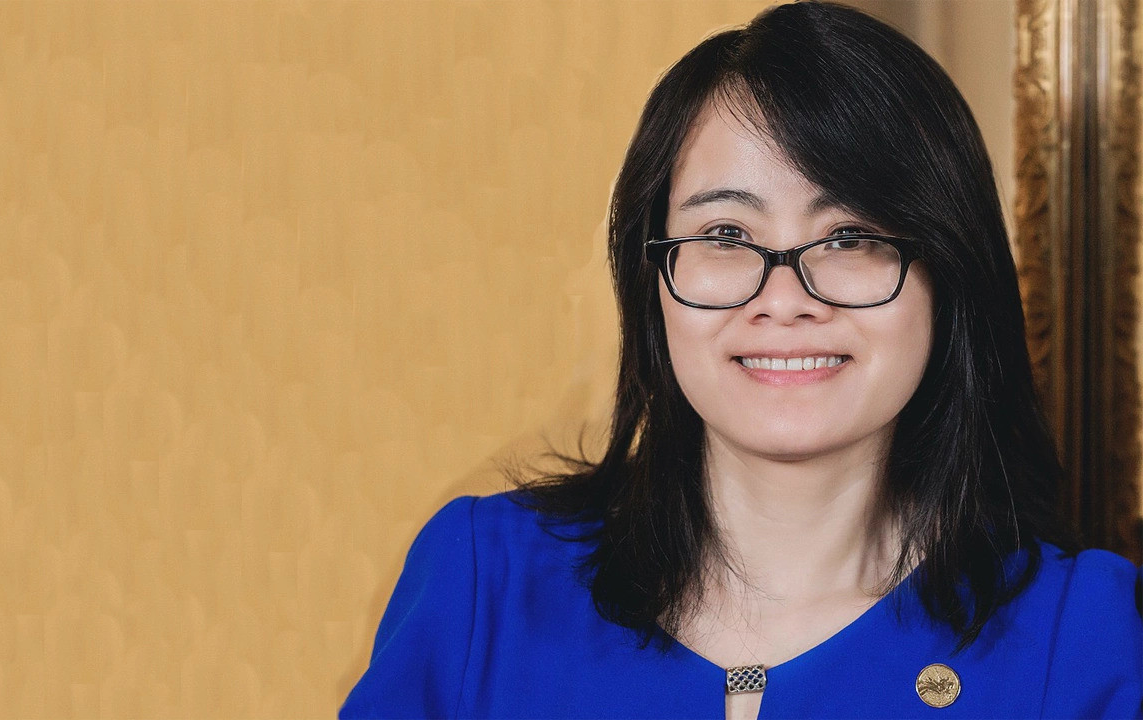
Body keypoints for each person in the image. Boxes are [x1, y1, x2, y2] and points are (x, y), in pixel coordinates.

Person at [341, 2, 1143, 718]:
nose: (785, 299)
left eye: (848, 237)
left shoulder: (1083, 636)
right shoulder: (482, 583)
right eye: (725, 235)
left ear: (949, 274)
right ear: (651, 279)